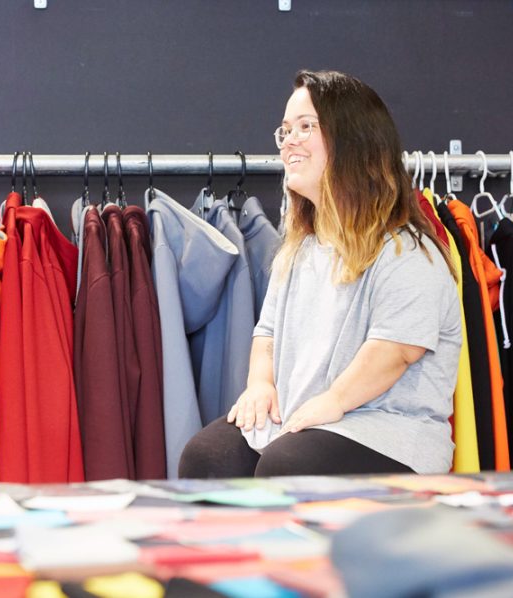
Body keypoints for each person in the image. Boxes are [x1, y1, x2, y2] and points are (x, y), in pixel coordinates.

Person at [178, 70, 461, 478]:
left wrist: (336, 400)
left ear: (354, 141)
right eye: (285, 130)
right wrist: (261, 385)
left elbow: (395, 351)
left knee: (289, 465)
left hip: (387, 430)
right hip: (304, 419)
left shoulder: (407, 252)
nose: (289, 141)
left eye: (306, 127)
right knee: (207, 457)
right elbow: (267, 334)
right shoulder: (298, 249)